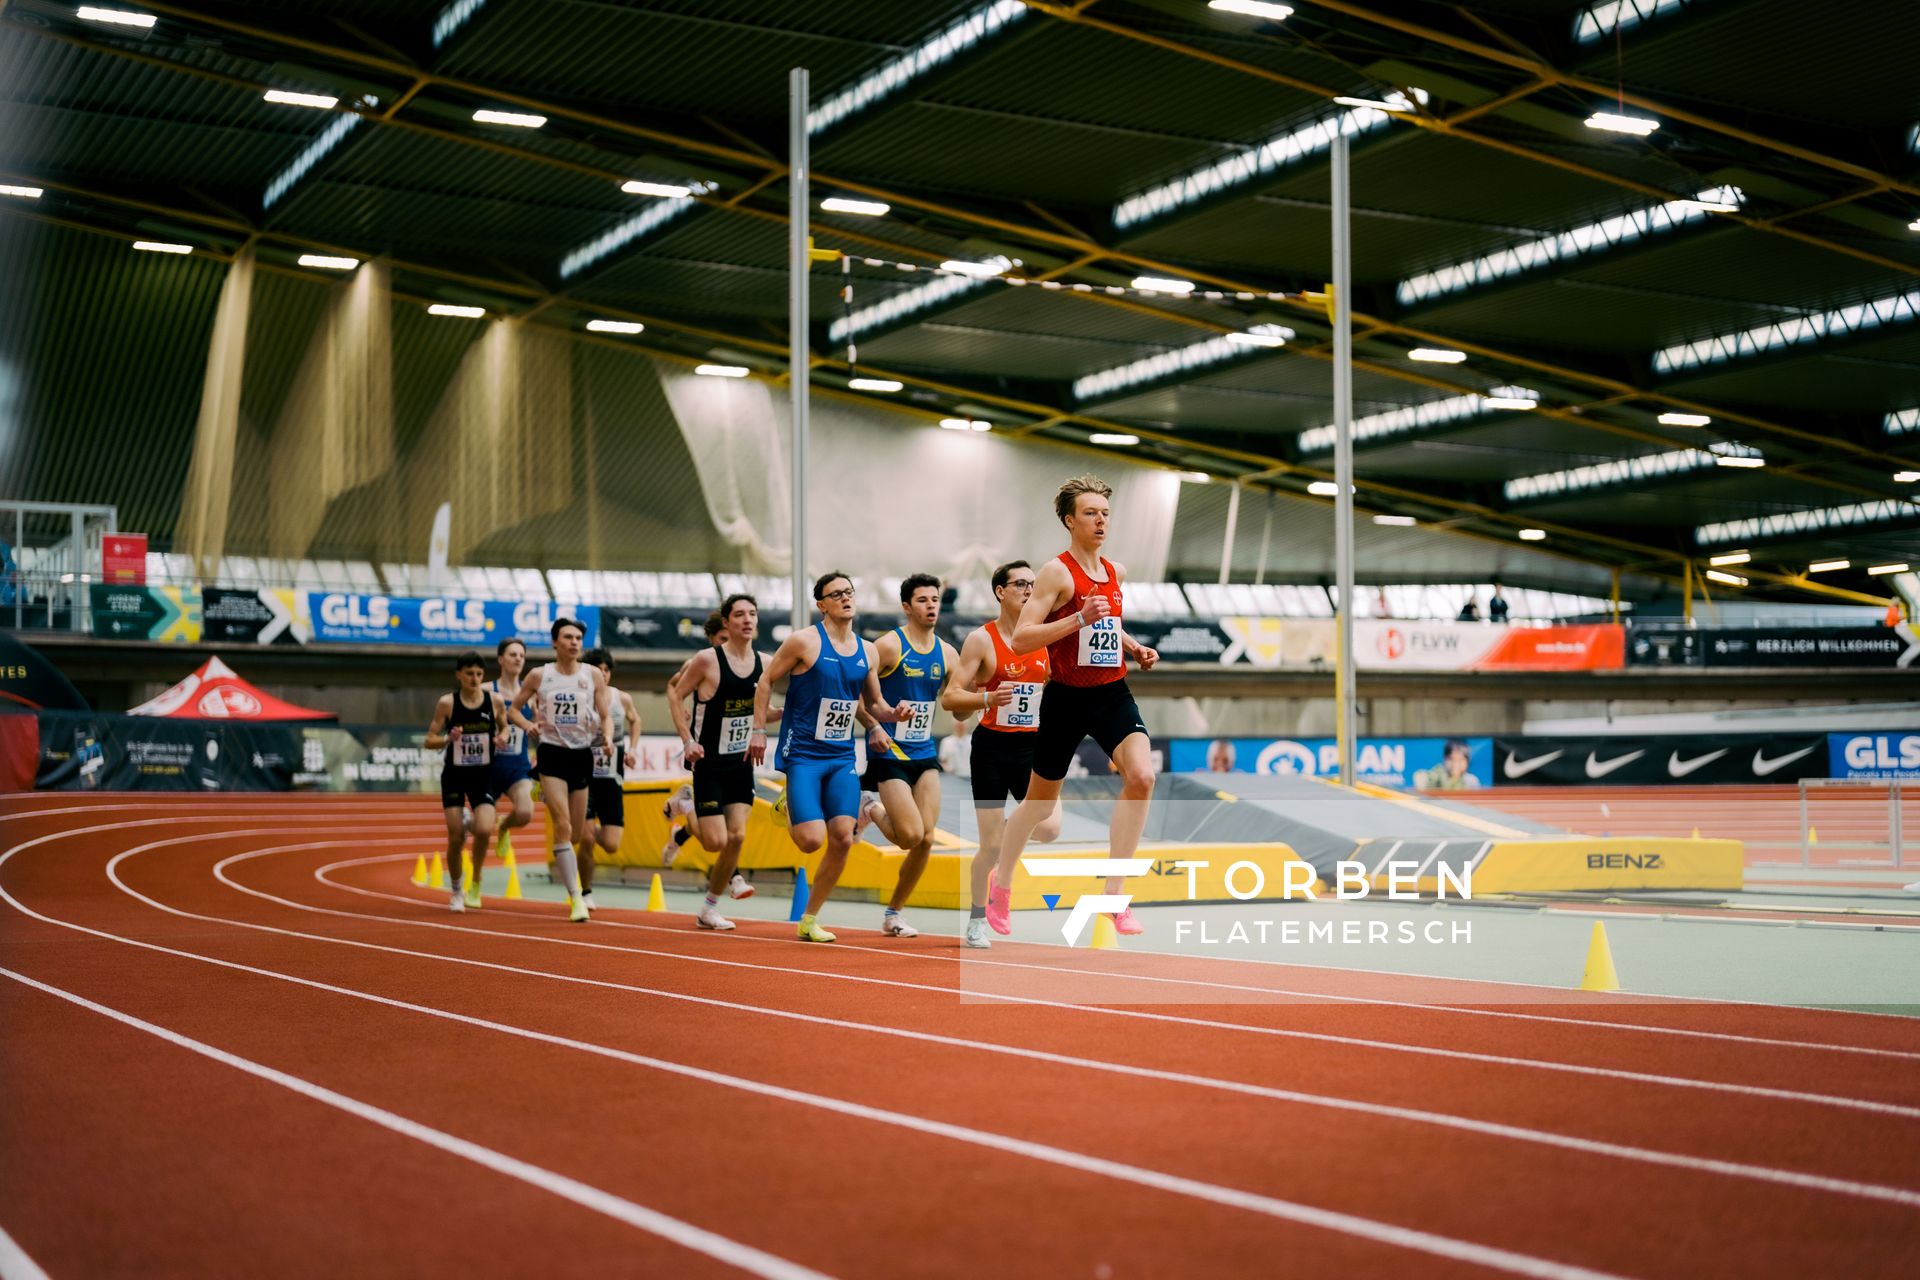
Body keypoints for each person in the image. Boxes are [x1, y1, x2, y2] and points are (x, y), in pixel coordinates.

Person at [986, 476, 1159, 938]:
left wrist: (1133, 646)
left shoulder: (1116, 570)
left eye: (1105, 513)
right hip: (1065, 699)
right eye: (1090, 513)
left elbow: (1105, 627)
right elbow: (1022, 638)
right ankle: (1001, 884)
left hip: (1111, 693)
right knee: (1039, 808)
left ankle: (1114, 896)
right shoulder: (1056, 573)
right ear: (1069, 520)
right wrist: (1078, 616)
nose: (1101, 520)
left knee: (1142, 777)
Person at [753, 571, 905, 943]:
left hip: (841, 756)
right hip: (803, 753)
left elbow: (874, 703)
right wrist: (758, 730)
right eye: (836, 594)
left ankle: (809, 918)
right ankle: (790, 805)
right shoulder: (803, 641)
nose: (845, 598)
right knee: (810, 840)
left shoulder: (867, 651)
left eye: (849, 592)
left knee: (842, 837)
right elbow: (765, 681)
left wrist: (891, 716)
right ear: (821, 604)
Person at [945, 560, 1060, 949]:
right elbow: (951, 697)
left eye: (1033, 584)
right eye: (1021, 584)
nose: (1029, 591)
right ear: (1000, 591)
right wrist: (987, 697)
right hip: (993, 749)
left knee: (1048, 828)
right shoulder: (982, 639)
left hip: (1035, 746)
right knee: (990, 847)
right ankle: (978, 917)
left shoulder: (1045, 637)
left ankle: (1011, 837)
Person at [860, 573, 961, 939]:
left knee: (928, 839)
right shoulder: (888, 646)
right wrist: (873, 725)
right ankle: (869, 805)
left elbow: (957, 707)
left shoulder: (948, 653)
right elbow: (856, 691)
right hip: (890, 755)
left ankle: (893, 914)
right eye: (922, 600)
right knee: (909, 836)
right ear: (906, 606)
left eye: (935, 599)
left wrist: (981, 694)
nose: (931, 605)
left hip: (925, 753)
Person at [669, 592, 777, 930]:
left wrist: (787, 713)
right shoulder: (707, 660)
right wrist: (687, 739)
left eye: (753, 614)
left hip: (742, 761)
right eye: (740, 614)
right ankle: (687, 807)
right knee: (715, 841)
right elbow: (675, 693)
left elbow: (763, 712)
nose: (747, 620)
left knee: (737, 837)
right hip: (710, 762)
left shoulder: (767, 662)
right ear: (727, 622)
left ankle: (708, 909)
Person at [509, 617, 612, 922]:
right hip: (551, 754)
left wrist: (606, 734)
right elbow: (514, 709)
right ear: (555, 642)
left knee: (578, 834)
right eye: (568, 637)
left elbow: (605, 714)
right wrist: (528, 724)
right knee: (563, 827)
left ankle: (574, 884)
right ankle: (576, 898)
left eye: (579, 638)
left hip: (581, 755)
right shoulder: (540, 676)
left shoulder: (593, 675)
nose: (574, 643)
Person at [423, 651, 509, 913]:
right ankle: (457, 890)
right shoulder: (448, 703)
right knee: (456, 836)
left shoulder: (494, 701)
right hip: (455, 777)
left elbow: (505, 726)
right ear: (459, 675)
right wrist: (449, 739)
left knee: (484, 829)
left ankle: (476, 879)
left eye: (479, 674)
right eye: (469, 674)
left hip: (482, 776)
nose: (474, 679)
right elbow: (429, 739)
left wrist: (502, 737)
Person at [660, 610, 725, 866]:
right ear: (710, 638)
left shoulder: (745, 663)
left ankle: (681, 829)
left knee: (727, 821)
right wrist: (679, 703)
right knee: (713, 831)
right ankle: (687, 805)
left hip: (733, 750)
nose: (727, 643)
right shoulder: (700, 663)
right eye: (722, 638)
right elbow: (672, 685)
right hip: (705, 750)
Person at [578, 647, 641, 910]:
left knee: (612, 844)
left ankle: (587, 835)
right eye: (597, 670)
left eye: (606, 670)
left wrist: (633, 748)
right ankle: (585, 891)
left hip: (612, 773)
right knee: (587, 838)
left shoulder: (621, 698)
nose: (603, 674)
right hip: (584, 772)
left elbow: (635, 721)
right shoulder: (581, 697)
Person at [487, 638, 541, 866]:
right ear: (501, 659)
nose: (518, 658)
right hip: (488, 767)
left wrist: (541, 757)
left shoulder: (532, 696)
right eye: (512, 654)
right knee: (479, 827)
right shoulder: (487, 691)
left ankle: (504, 826)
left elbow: (541, 730)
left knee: (526, 813)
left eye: (521, 655)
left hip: (518, 767)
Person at [1415, 739, 1480, 791]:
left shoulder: (1471, 781)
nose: (1456, 764)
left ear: (1467, 761)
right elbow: (1420, 778)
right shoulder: (1437, 775)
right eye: (1452, 759)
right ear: (1444, 759)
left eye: (1460, 760)